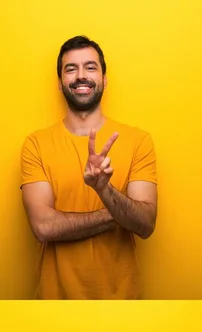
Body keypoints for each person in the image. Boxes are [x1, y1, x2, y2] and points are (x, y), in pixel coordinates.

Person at [21, 36, 158, 299]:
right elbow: (43, 227)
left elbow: (145, 224)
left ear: (104, 79)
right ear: (60, 83)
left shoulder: (139, 141)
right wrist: (115, 214)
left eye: (90, 67)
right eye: (71, 69)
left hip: (123, 299)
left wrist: (104, 190)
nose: (81, 76)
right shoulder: (35, 144)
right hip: (53, 299)